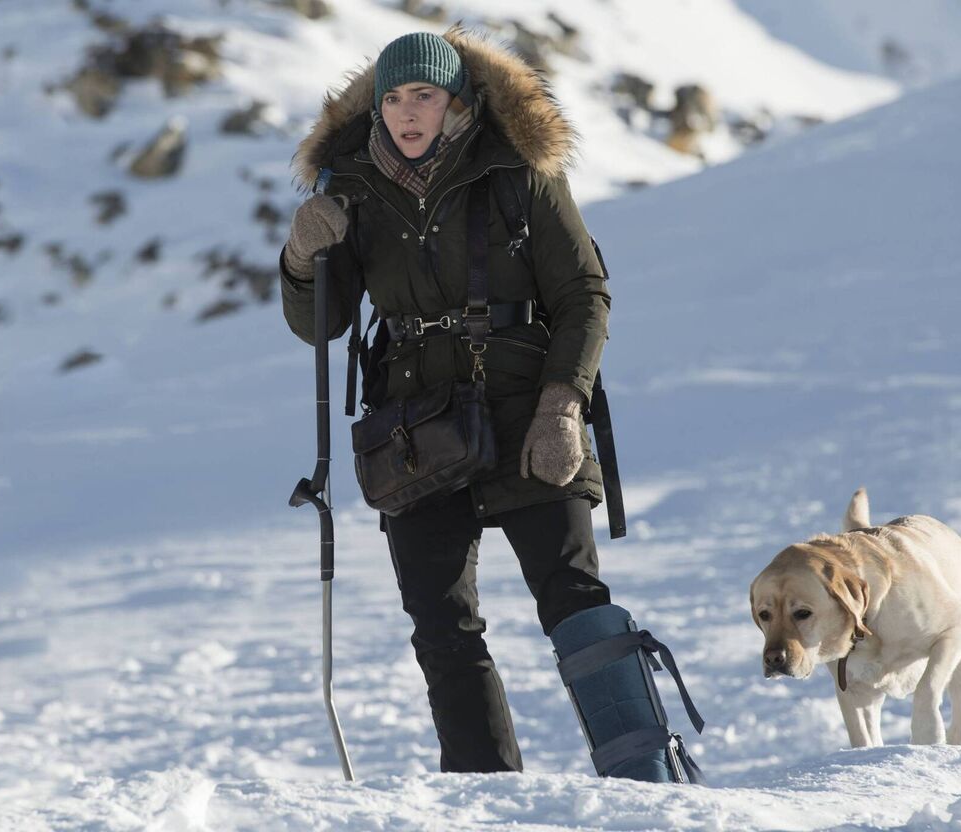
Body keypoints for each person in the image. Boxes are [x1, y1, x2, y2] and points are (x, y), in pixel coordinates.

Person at [278, 27, 702, 782]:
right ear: (377, 109)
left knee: (575, 600)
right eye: (394, 98)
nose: (409, 112)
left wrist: (563, 404)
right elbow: (323, 324)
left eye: (425, 95)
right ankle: (485, 800)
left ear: (456, 101)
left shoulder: (517, 169)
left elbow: (584, 296)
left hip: (527, 412)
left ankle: (647, 782)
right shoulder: (350, 188)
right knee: (442, 626)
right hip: (413, 431)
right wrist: (302, 260)